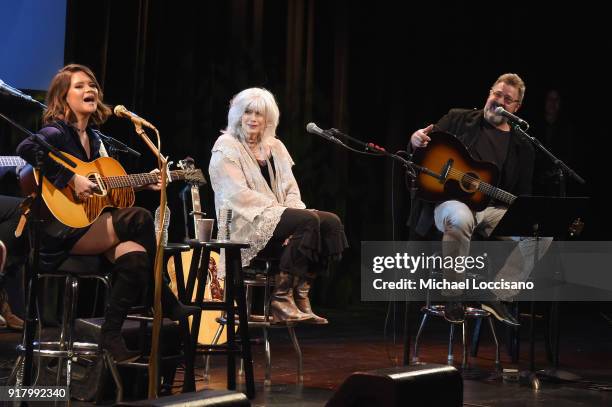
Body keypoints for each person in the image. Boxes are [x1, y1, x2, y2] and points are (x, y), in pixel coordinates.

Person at [17, 64, 197, 362]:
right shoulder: (57, 131)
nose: (90, 90)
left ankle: (110, 335)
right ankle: (163, 297)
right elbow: (27, 148)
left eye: (92, 85)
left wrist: (147, 182)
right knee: (139, 218)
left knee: (136, 256)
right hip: (58, 235)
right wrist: (70, 178)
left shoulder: (97, 140)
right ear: (63, 96)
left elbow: (110, 192)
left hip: (89, 228)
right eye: (79, 86)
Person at [409, 73, 542, 326]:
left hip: (493, 210)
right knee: (459, 217)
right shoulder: (459, 119)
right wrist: (415, 140)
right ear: (489, 93)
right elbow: (426, 147)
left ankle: (496, 296)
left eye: (507, 99)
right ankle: (453, 295)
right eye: (497, 94)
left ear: (516, 108)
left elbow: (522, 196)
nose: (499, 101)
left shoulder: (523, 145)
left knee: (539, 235)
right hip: (451, 203)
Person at [209, 88, 348, 324]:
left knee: (330, 222)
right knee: (307, 221)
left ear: (268, 120)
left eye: (259, 114)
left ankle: (300, 294)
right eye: (248, 112)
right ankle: (281, 299)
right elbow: (235, 195)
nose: (253, 118)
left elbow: (290, 189)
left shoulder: (275, 146)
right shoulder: (226, 145)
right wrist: (282, 216)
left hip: (275, 219)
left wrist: (289, 217)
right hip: (246, 226)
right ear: (238, 116)